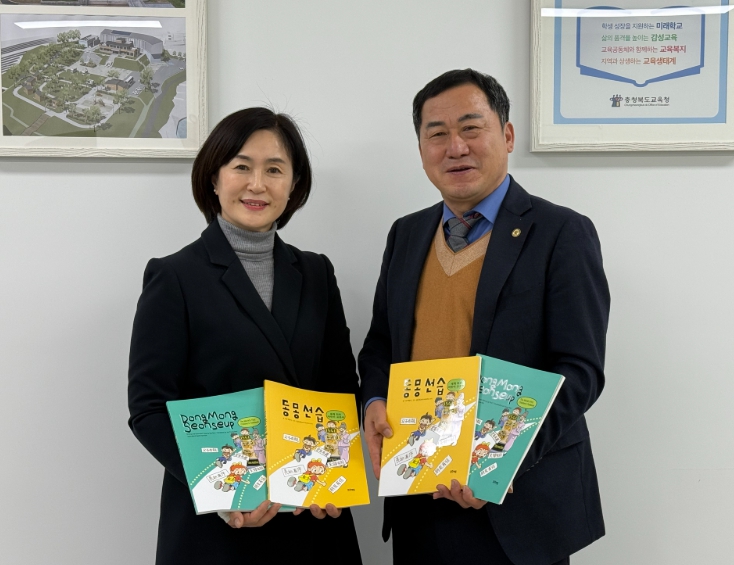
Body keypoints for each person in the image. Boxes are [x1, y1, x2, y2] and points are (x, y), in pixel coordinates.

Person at [359, 69, 609, 565]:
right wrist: (374, 399)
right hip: (417, 496)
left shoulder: (561, 232)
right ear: (421, 149)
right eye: (437, 134)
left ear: (507, 135)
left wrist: (498, 458)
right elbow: (381, 343)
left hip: (520, 503)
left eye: (472, 128)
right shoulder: (406, 234)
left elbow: (580, 369)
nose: (456, 147)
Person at [128, 108, 362, 564]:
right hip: (217, 527)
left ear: (294, 185)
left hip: (313, 516)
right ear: (214, 179)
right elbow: (149, 408)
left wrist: (332, 473)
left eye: (274, 169)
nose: (257, 184)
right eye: (241, 166)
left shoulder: (316, 272)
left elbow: (339, 388)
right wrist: (224, 493)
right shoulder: (174, 276)